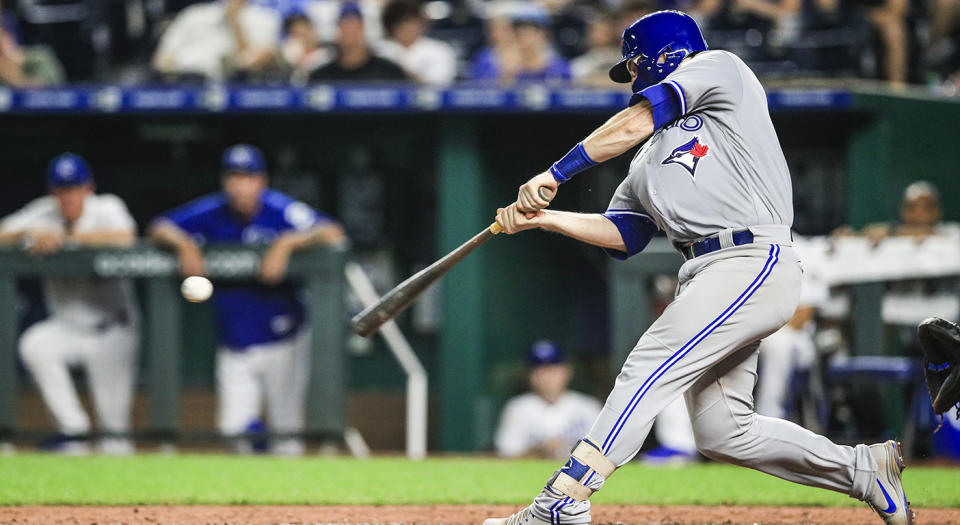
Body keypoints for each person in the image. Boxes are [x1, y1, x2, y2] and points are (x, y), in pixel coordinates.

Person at [487, 11, 911, 525]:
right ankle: (864, 470)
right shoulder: (645, 160)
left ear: (661, 56)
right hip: (707, 273)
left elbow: (640, 117)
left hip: (752, 257)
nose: (634, 77)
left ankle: (564, 499)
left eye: (635, 66)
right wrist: (546, 219)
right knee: (722, 431)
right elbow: (624, 235)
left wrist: (556, 173)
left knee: (647, 366)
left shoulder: (720, 69)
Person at [150, 144, 345, 455]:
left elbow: (332, 232)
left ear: (261, 181)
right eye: (234, 177)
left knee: (288, 436)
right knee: (232, 432)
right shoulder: (212, 211)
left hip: (284, 338)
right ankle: (253, 485)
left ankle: (288, 502)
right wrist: (184, 244)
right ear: (225, 181)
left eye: (247, 177)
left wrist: (287, 243)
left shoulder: (279, 209)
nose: (240, 186)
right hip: (234, 343)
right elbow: (160, 226)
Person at [0, 153, 139, 455]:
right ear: (53, 192)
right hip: (67, 328)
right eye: (62, 189)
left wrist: (65, 238)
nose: (69, 196)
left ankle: (125, 499)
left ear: (88, 188)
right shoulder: (43, 213)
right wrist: (29, 231)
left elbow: (125, 237)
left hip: (111, 330)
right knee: (36, 344)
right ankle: (72, 429)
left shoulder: (107, 207)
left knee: (114, 434)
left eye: (75, 188)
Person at [495, 340, 602, 459]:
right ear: (529, 375)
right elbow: (505, 456)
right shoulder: (517, 409)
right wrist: (539, 450)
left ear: (567, 371)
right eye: (540, 371)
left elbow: (605, 454)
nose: (547, 377)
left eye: (553, 369)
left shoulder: (588, 407)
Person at [152, 0, 281, 82]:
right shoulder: (194, 14)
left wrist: (235, 22)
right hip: (185, 80)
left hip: (234, 83)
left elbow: (257, 61)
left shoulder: (265, 18)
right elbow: (161, 59)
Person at [307, 2, 408, 83]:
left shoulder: (389, 71)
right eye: (344, 27)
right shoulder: (320, 76)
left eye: (356, 27)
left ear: (364, 29)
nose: (350, 32)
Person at [377, 0, 457, 86]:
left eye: (410, 21)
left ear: (420, 22)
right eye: (400, 22)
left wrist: (404, 73)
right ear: (390, 26)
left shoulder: (440, 50)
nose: (405, 27)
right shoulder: (379, 50)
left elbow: (443, 85)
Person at [280, 10, 332, 85]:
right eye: (295, 33)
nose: (301, 38)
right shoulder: (289, 58)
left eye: (303, 33)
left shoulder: (327, 54)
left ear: (312, 29)